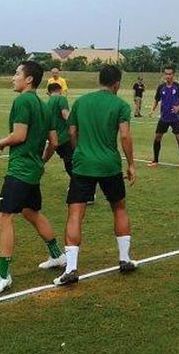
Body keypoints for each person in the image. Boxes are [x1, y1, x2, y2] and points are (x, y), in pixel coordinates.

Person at [0, 61, 66, 297]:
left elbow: (19, 135)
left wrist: (0, 142)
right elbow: (55, 142)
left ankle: (3, 275)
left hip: (19, 170)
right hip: (33, 170)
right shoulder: (42, 103)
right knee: (30, 212)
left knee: (3, 216)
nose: (13, 77)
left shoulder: (22, 101)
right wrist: (40, 162)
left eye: (17, 73)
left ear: (29, 79)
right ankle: (57, 255)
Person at [54, 65, 137, 286]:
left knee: (75, 213)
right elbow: (125, 136)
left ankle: (71, 268)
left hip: (82, 165)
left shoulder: (81, 102)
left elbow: (72, 131)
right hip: (110, 165)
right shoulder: (121, 105)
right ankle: (124, 258)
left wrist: (79, 151)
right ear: (117, 84)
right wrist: (131, 164)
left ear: (99, 80)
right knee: (118, 208)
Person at [148, 66, 179, 168]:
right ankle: (155, 160)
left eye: (170, 74)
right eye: (166, 74)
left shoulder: (178, 87)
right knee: (157, 137)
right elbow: (156, 100)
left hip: (176, 118)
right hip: (164, 118)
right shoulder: (161, 87)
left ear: (173, 75)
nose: (168, 76)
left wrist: (178, 108)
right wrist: (152, 110)